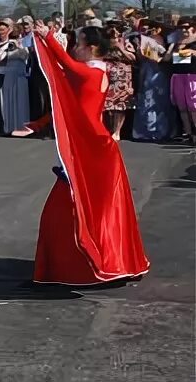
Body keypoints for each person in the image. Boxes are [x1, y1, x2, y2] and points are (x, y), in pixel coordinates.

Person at [31, 22, 149, 285]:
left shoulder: (91, 72)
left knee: (75, 211)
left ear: (91, 47)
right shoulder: (92, 72)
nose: (74, 48)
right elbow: (64, 99)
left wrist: (47, 37)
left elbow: (65, 64)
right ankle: (107, 263)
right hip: (92, 146)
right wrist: (37, 124)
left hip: (92, 149)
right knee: (102, 212)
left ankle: (85, 266)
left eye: (79, 44)